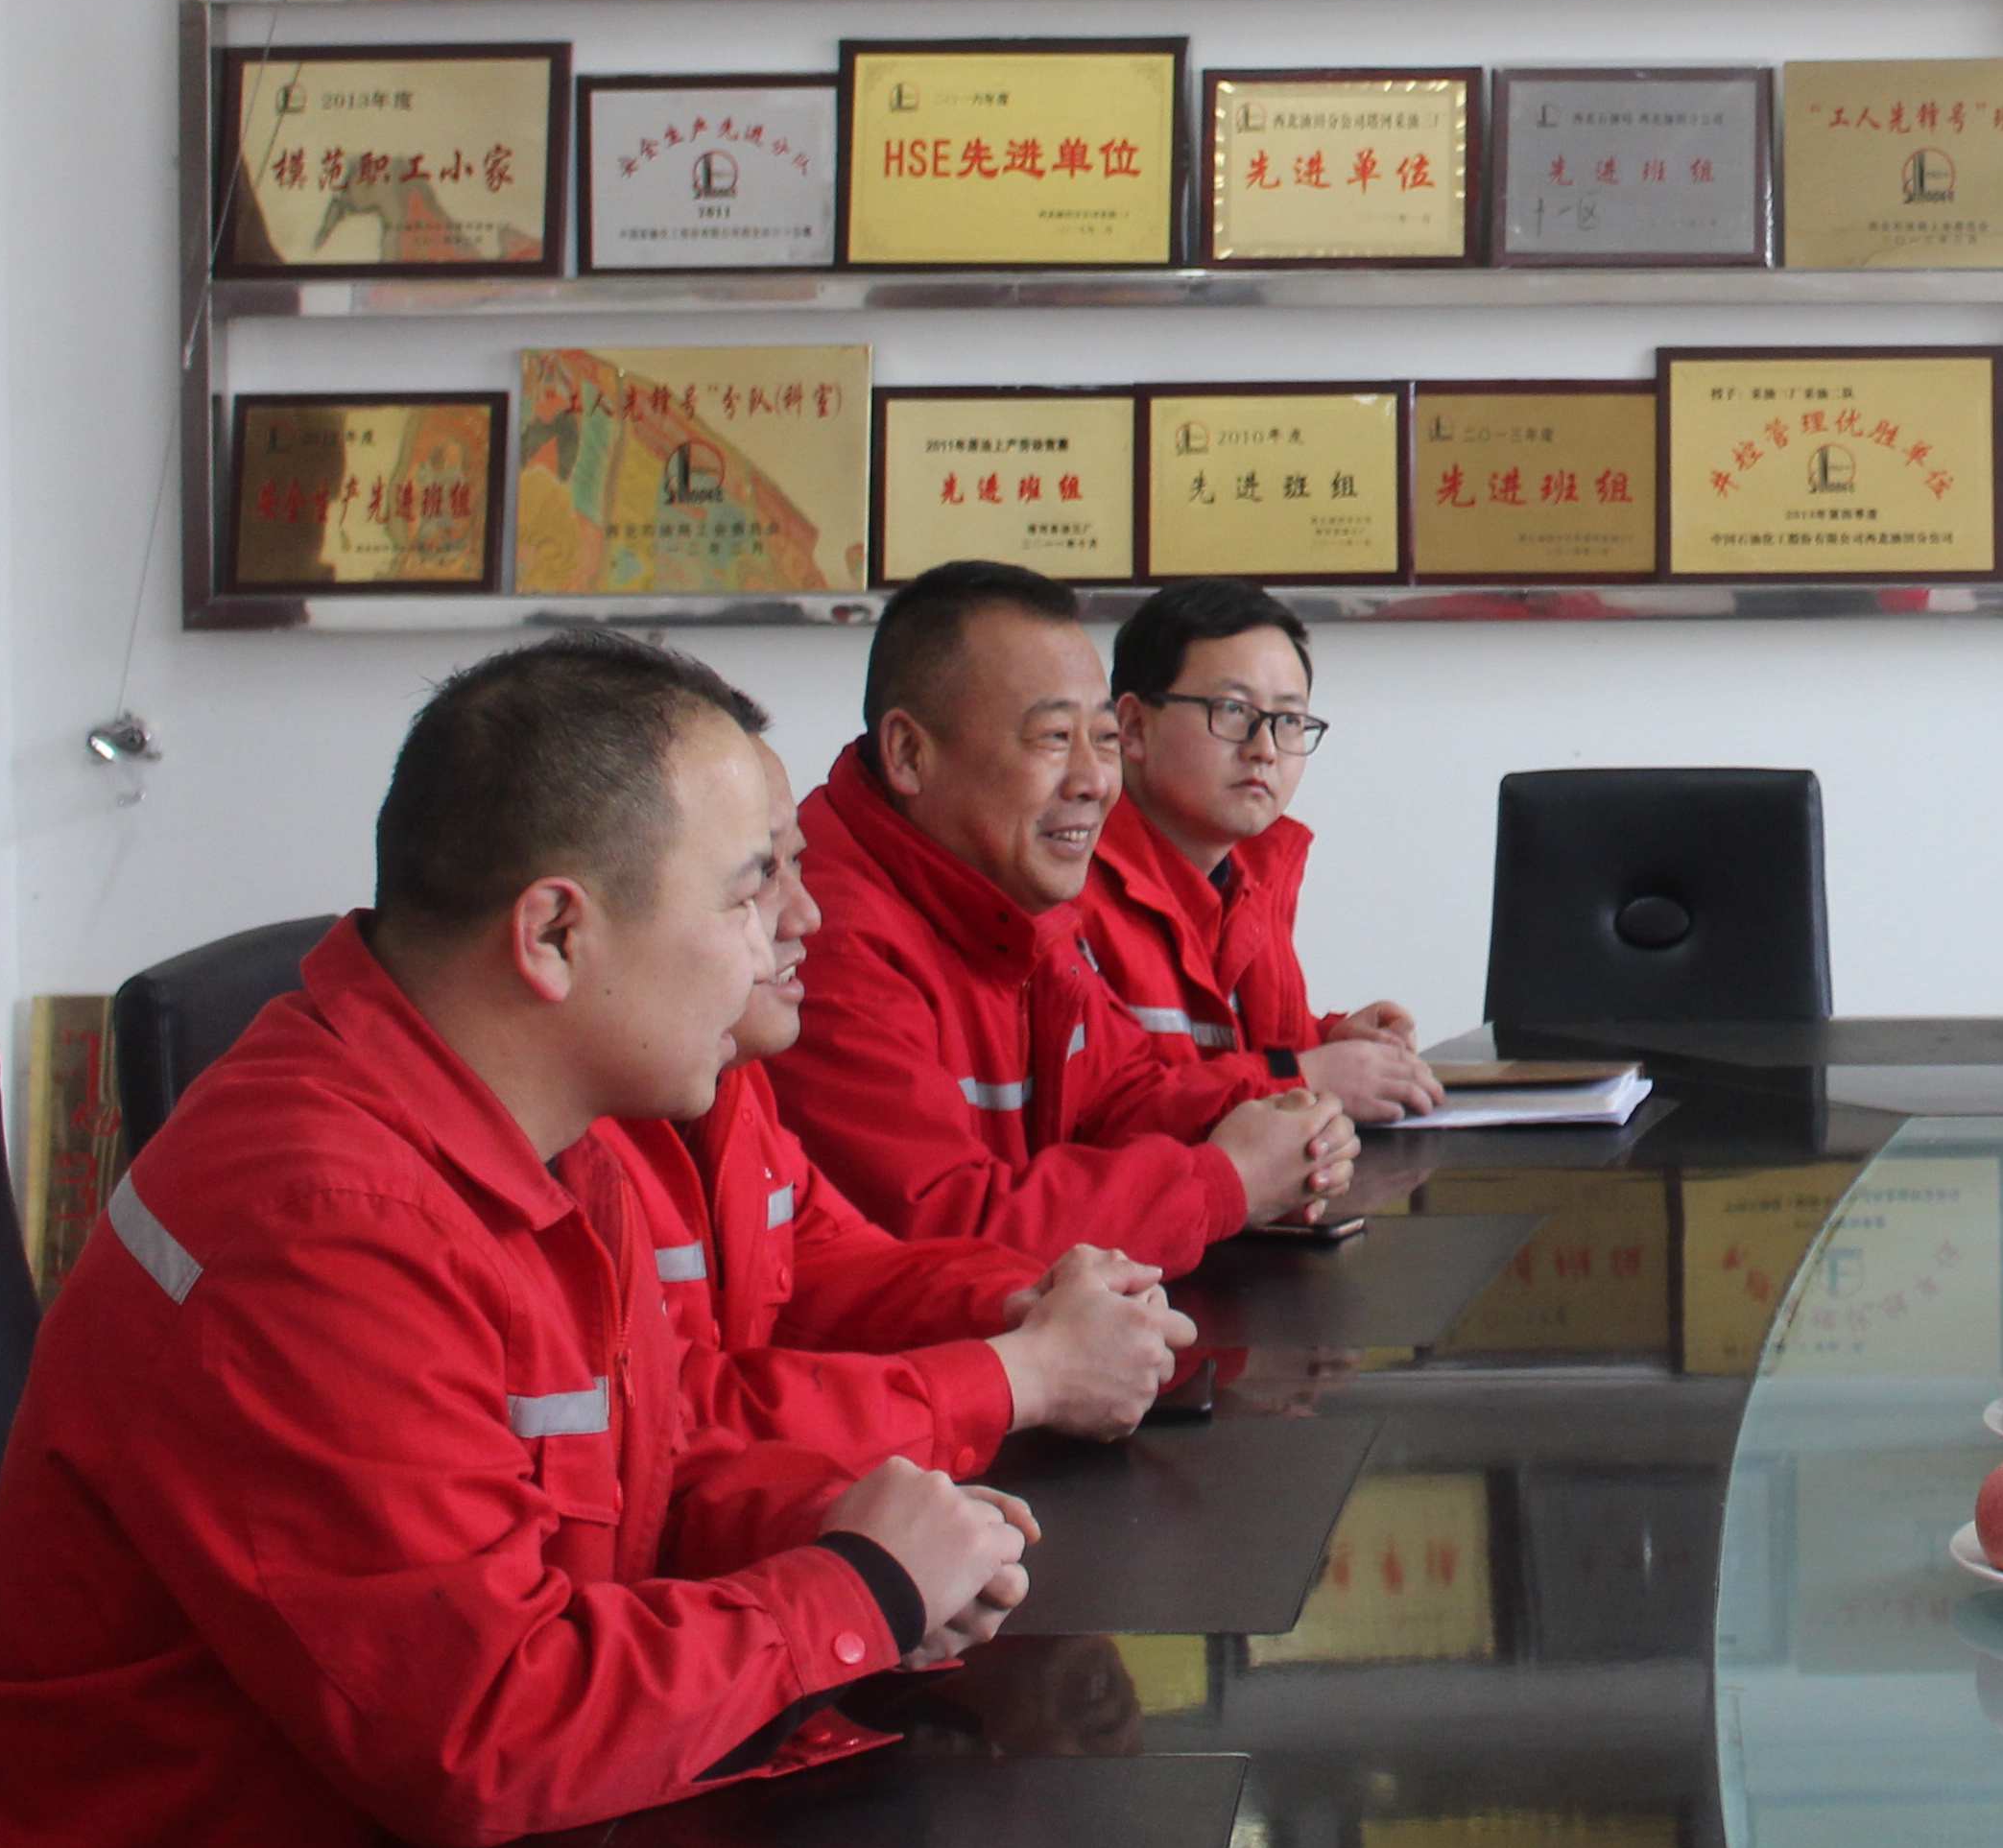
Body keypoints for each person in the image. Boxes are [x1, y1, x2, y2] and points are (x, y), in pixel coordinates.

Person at [0, 636, 1037, 1848]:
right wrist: (851, 1596)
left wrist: (843, 1529)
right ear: (554, 936)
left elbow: (639, 1487)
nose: (793, 928)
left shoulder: (555, 1145)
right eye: (748, 888)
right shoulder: (321, 1222)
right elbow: (481, 1728)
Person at [599, 702, 1202, 1481]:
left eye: (1103, 740)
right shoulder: (603, 1104)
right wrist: (1024, 1374)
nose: (806, 915)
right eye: (756, 879)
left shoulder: (723, 1074)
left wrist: (1033, 1300)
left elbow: (830, 1265)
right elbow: (665, 1437)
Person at [771, 560, 1360, 1271]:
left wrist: (1284, 1124)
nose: (1095, 782)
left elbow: (1122, 1097)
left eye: (1103, 739)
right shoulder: (821, 937)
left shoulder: (1010, 889)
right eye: (1053, 737)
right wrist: (1221, 1184)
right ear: (909, 754)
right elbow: (946, 1228)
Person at [1085, 578, 1445, 1124]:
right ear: (1132, 727)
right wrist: (1305, 1075)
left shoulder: (1253, 872)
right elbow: (1109, 1110)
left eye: (1289, 720)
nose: (1266, 749)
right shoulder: (1068, 885)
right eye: (1233, 710)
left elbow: (1237, 1056)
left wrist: (1330, 1043)